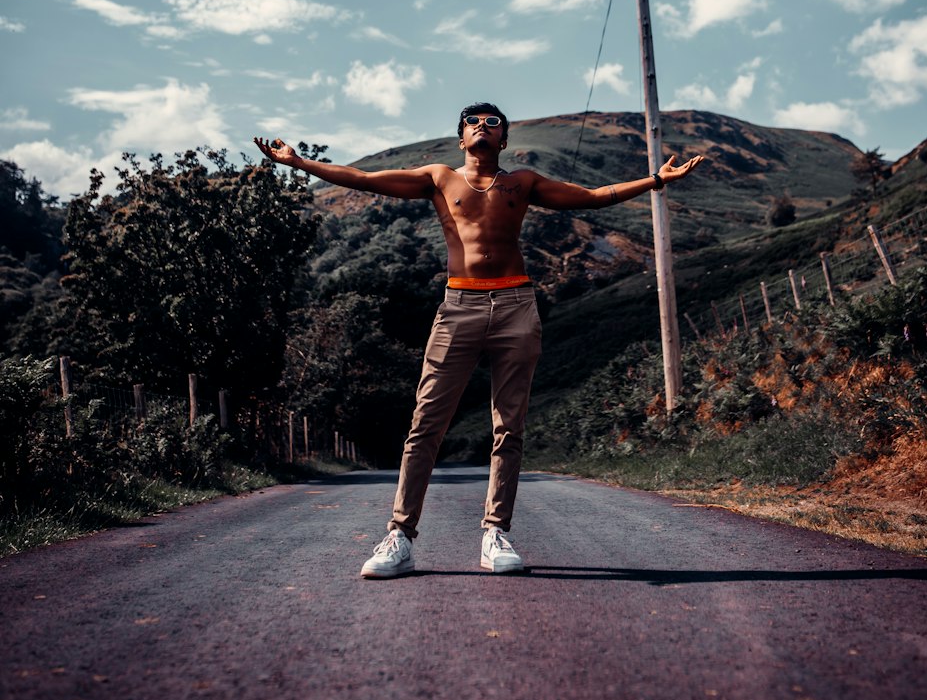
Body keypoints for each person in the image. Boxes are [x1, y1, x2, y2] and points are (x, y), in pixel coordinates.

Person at [254, 104, 704, 579]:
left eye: (494, 124)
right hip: (458, 308)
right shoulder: (438, 178)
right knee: (425, 424)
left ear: (504, 141)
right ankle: (400, 537)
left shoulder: (522, 183)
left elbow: (592, 197)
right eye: (474, 122)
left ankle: (495, 534)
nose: (483, 128)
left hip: (516, 306)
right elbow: (364, 178)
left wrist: (654, 180)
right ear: (460, 137)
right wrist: (300, 164)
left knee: (508, 427)